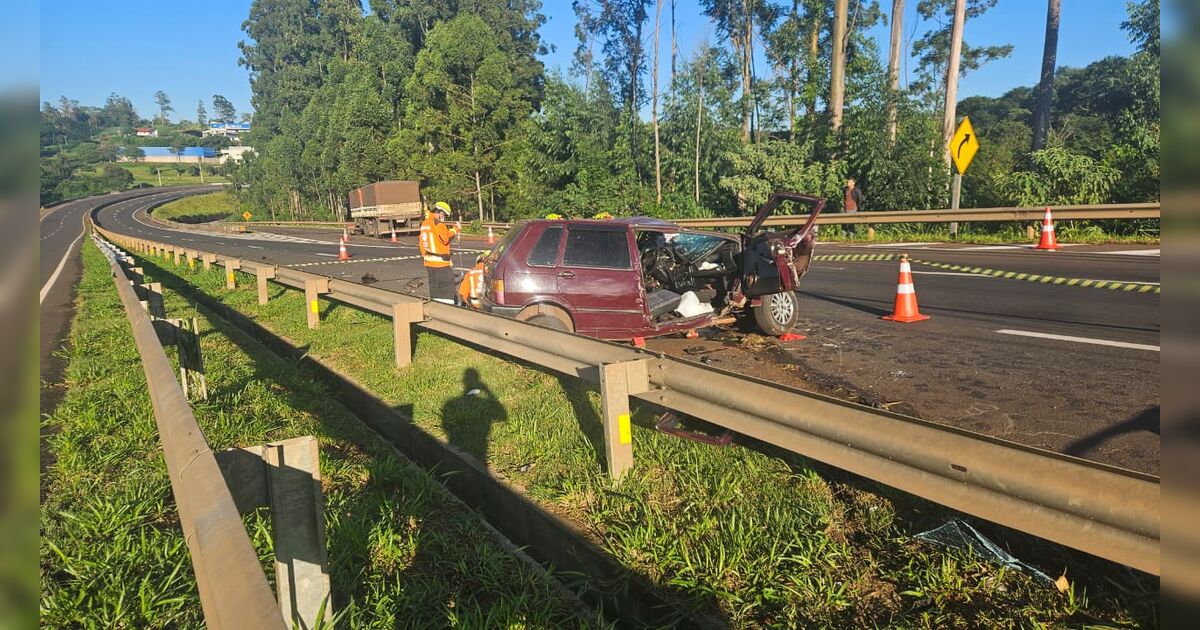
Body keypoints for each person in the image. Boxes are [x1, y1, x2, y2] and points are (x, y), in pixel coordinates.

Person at [419, 201, 459, 304]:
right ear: (441, 213)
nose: (444, 218)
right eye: (445, 215)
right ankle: (448, 311)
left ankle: (436, 310)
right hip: (440, 264)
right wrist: (455, 229)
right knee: (448, 288)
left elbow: (421, 243)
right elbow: (445, 238)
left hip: (429, 263)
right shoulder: (438, 224)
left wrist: (426, 256)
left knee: (435, 289)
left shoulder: (425, 223)